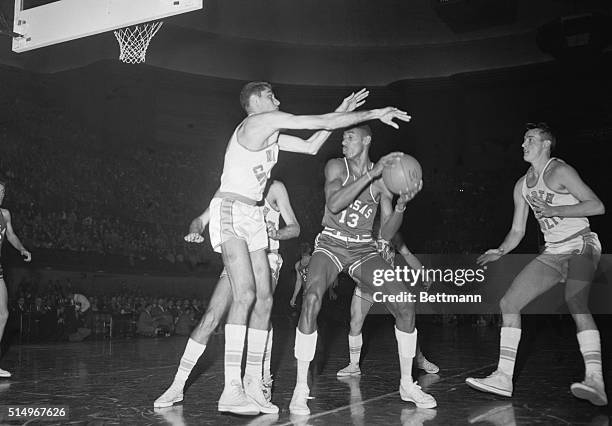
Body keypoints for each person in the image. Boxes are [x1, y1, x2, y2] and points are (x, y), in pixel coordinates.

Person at [203, 81, 410, 415]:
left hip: (254, 213)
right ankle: (232, 389)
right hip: (232, 208)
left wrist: (342, 110)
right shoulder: (258, 122)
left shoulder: (271, 135)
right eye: (272, 96)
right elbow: (319, 123)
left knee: (265, 298)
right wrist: (373, 112)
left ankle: (255, 385)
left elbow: (314, 145)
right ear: (255, 100)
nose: (278, 100)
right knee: (244, 295)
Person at [289, 125, 436, 416]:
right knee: (312, 299)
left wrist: (402, 206)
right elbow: (334, 203)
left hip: (361, 249)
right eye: (343, 136)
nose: (343, 140)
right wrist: (370, 174)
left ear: (367, 140)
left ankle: (407, 382)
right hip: (330, 244)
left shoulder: (383, 180)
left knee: (405, 302)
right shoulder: (336, 166)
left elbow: (388, 233)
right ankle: (299, 389)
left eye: (350, 136)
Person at [465, 123, 607, 406]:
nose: (523, 144)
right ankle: (503, 378)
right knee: (509, 303)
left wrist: (557, 210)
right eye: (523, 140)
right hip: (554, 251)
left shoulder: (560, 171)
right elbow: (518, 230)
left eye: (529, 139)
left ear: (546, 144)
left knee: (575, 301)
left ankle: (595, 380)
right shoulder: (522, 185)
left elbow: (596, 206)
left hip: (581, 243)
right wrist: (501, 250)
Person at [154, 179, 299, 413]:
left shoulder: (276, 188)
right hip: (239, 258)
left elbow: (295, 227)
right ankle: (177, 385)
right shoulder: (233, 184)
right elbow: (201, 219)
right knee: (210, 317)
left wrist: (278, 232)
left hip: (267, 257)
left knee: (259, 310)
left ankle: (261, 380)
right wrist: (194, 230)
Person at [336, 232, 439, 377]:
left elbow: (407, 255)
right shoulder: (362, 231)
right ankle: (353, 365)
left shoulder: (393, 233)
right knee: (355, 323)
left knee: (405, 322)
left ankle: (419, 359)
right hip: (365, 287)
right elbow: (348, 260)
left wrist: (423, 273)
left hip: (387, 285)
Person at [0, 179, 32, 377]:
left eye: (3, 191)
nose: (1, 193)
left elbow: (10, 235)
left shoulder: (4, 214)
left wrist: (22, 248)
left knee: (3, 314)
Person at [290, 242, 312, 309]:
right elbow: (299, 282)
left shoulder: (314, 259)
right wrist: (294, 297)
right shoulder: (298, 265)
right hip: (306, 293)